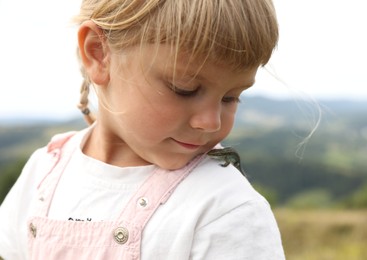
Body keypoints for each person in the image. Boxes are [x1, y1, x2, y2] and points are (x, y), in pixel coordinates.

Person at [0, 0, 285, 259]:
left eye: (230, 98)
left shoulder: (225, 210)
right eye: (184, 89)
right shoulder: (43, 172)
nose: (212, 122)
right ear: (99, 54)